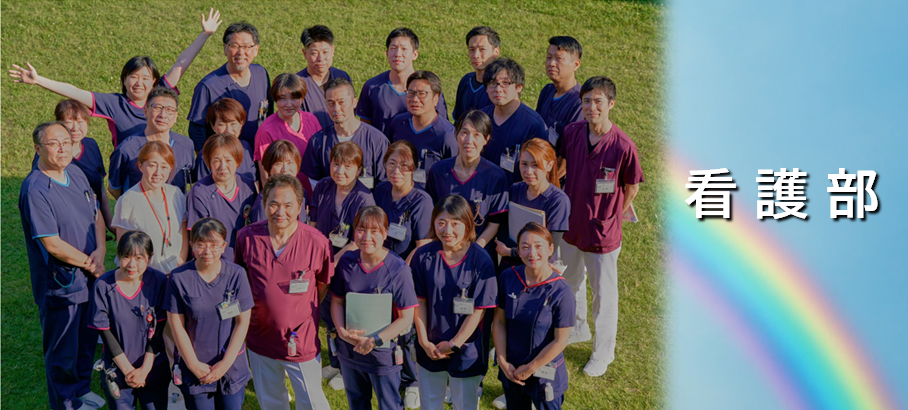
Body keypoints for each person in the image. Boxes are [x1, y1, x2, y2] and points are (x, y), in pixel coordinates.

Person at [9, 9, 222, 146]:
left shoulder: (160, 96)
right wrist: (39, 80)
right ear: (124, 80)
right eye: (133, 77)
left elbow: (180, 65)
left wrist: (205, 34)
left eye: (145, 78)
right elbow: (75, 92)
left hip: (161, 167)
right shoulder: (113, 104)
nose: (139, 83)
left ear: (154, 82)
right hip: (129, 170)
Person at [559, 76, 643, 377]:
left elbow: (632, 187)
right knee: (570, 282)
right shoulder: (571, 132)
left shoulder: (623, 146)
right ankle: (577, 328)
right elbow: (561, 166)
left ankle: (603, 353)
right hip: (571, 226)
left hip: (602, 233)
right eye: (586, 101)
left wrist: (612, 215)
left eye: (598, 102)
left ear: (611, 104)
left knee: (604, 296)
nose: (591, 107)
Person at [19, 121, 107, 409]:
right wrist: (90, 263)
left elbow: (96, 213)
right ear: (37, 149)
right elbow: (52, 244)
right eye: (53, 143)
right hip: (62, 284)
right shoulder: (35, 189)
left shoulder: (75, 173)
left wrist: (101, 250)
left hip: (89, 274)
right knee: (62, 351)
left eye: (66, 142)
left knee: (86, 339)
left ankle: (81, 389)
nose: (62, 148)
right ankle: (66, 403)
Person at [234, 175, 333, 410]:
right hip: (260, 338)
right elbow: (241, 280)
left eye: (288, 205)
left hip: (301, 341)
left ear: (300, 207)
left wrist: (296, 311)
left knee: (313, 402)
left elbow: (322, 284)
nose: (280, 212)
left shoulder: (317, 242)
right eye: (273, 204)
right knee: (271, 402)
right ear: (264, 204)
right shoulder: (246, 237)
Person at [410, 195, 497, 410]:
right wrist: (424, 341)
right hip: (430, 345)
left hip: (465, 347)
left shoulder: (481, 260)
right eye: (441, 222)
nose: (447, 230)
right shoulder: (423, 256)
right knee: (430, 404)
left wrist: (454, 343)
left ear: (467, 224)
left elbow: (479, 311)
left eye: (455, 223)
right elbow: (419, 302)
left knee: (465, 405)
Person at [331, 206, 418, 410]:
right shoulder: (347, 262)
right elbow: (337, 301)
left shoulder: (398, 269)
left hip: (383, 354)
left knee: (389, 405)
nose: (367, 237)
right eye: (361, 230)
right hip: (350, 350)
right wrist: (342, 332)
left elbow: (406, 317)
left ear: (385, 233)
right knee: (357, 403)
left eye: (374, 231)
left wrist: (375, 340)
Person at [166, 218, 254, 410]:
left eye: (214, 245)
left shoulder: (237, 275)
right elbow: (176, 325)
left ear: (224, 246)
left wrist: (224, 365)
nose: (207, 251)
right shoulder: (179, 278)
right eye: (201, 244)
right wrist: (193, 365)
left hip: (231, 366)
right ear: (191, 246)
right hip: (196, 367)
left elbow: (242, 322)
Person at [493, 223, 575, 410]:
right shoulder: (508, 277)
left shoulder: (562, 292)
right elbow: (499, 321)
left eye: (539, 246)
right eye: (525, 247)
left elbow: (560, 341)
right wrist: (503, 361)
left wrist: (530, 368)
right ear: (518, 251)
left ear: (550, 249)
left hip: (545, 373)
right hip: (512, 368)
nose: (532, 253)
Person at [88, 231, 170, 410]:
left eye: (139, 258)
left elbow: (159, 328)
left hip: (153, 367)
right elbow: (105, 333)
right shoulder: (103, 286)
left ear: (150, 257)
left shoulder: (159, 282)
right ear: (118, 255)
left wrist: (145, 369)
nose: (132, 264)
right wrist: (128, 371)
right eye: (126, 256)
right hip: (118, 371)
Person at [425, 110, 508, 262]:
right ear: (456, 135)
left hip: (478, 253)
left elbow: (494, 224)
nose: (469, 140)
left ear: (486, 139)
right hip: (444, 250)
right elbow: (431, 215)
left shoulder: (495, 176)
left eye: (477, 135)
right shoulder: (438, 171)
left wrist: (473, 250)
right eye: (464, 133)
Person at [30, 100, 113, 231]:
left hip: (94, 219)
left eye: (80, 121)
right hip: (66, 225)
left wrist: (109, 223)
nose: (76, 128)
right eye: (69, 122)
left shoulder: (91, 145)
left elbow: (100, 186)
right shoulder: (48, 156)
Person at [188, 21, 271, 152]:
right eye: (234, 46)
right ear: (225, 48)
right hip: (225, 158)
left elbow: (268, 113)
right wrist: (207, 159)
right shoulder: (208, 86)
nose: (241, 52)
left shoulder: (261, 74)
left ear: (256, 49)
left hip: (259, 155)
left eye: (247, 46)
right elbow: (196, 131)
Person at [112, 141, 190, 274]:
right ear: (141, 166)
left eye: (164, 167)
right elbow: (125, 249)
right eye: (152, 165)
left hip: (175, 274)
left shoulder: (176, 194)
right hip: (144, 276)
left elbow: (183, 235)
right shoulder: (128, 200)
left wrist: (179, 266)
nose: (158, 172)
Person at [494, 138, 571, 270]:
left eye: (535, 165)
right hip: (510, 267)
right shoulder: (515, 190)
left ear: (549, 165)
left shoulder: (558, 200)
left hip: (537, 269)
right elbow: (503, 231)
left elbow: (549, 248)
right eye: (524, 164)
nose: (528, 171)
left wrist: (511, 252)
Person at [355, 27, 448, 136]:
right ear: (387, 53)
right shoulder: (371, 87)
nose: (398, 54)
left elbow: (442, 128)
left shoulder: (430, 89)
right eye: (393, 48)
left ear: (415, 54)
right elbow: (365, 130)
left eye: (404, 49)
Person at [108, 86, 194, 198]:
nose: (163, 115)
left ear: (175, 117)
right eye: (157, 108)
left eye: (169, 110)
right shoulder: (127, 149)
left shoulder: (186, 145)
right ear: (145, 111)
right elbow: (114, 188)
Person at [303, 78, 388, 189]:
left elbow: (384, 183)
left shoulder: (376, 140)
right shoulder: (318, 141)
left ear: (354, 103)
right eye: (331, 103)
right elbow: (315, 185)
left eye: (341, 102)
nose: (336, 109)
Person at [186, 134, 258, 263]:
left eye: (228, 160)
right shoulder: (199, 192)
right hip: (217, 262)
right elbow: (199, 237)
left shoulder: (249, 186)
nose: (222, 166)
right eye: (216, 160)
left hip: (248, 258)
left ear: (237, 161)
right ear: (208, 163)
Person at [480, 58, 549, 186]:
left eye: (505, 83)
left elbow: (539, 172)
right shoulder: (480, 119)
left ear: (519, 87)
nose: (498, 89)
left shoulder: (533, 125)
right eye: (493, 83)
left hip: (515, 194)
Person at [254, 73, 322, 195]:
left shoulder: (312, 121)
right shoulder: (266, 130)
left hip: (313, 194)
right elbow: (265, 178)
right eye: (283, 98)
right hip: (285, 197)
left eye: (294, 98)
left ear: (302, 98)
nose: (289, 104)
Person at [387, 70, 457, 188]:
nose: (415, 99)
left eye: (422, 93)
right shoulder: (398, 124)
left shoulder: (447, 135)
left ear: (435, 99)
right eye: (411, 93)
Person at [309, 141, 376, 258]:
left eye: (347, 166)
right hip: (318, 254)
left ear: (358, 170)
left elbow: (357, 243)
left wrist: (331, 264)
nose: (339, 171)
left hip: (348, 260)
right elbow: (312, 226)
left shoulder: (364, 200)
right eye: (336, 164)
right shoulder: (322, 186)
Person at [373, 140, 434, 261]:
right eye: (391, 164)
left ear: (413, 167)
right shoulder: (380, 190)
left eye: (404, 165)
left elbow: (422, 246)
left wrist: (401, 269)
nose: (396, 171)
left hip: (405, 265)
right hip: (377, 260)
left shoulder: (422, 202)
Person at [297, 25, 352, 129]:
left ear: (332, 51)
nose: (320, 58)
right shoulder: (297, 84)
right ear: (305, 53)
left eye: (325, 52)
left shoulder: (342, 77)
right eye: (314, 53)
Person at [191, 98, 257, 183]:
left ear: (241, 123)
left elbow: (255, 182)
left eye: (233, 124)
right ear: (213, 126)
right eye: (222, 124)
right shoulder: (205, 156)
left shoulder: (246, 148)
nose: (228, 130)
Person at [537, 36, 583, 149]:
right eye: (549, 57)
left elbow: (571, 148)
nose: (551, 63)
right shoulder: (547, 91)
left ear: (576, 64)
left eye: (558, 58)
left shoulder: (580, 101)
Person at [249, 140, 305, 224]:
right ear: (269, 167)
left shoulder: (302, 193)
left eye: (290, 162)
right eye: (279, 164)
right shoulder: (264, 201)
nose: (285, 169)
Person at [452, 26, 500, 123]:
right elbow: (458, 122)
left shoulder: (501, 87)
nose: (476, 55)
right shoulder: (466, 81)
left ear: (496, 52)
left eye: (482, 49)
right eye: (472, 50)